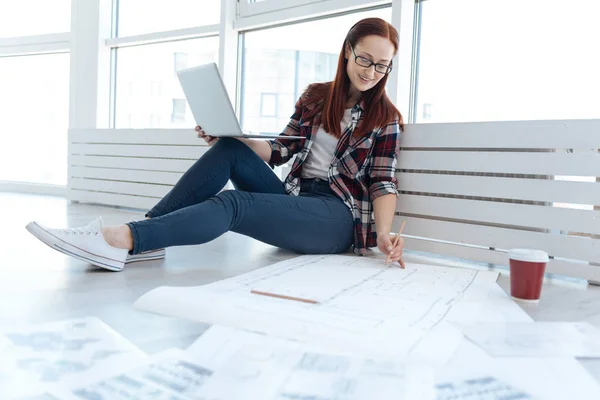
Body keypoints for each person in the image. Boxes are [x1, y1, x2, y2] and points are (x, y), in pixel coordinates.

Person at [26, 17, 406, 272]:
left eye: (382, 65)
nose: (371, 72)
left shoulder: (385, 117)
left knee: (233, 204)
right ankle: (149, 232)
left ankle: (122, 238)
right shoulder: (316, 97)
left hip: (335, 219)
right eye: (365, 59)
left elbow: (382, 182)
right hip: (299, 200)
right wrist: (233, 138)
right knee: (229, 151)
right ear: (347, 52)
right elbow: (281, 149)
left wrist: (385, 233)